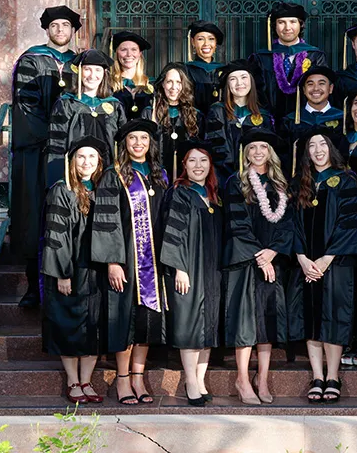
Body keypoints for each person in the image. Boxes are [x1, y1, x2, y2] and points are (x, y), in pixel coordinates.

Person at [91, 118, 168, 405]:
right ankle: (122, 380)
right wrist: (112, 261)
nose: (138, 144)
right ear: (125, 144)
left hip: (154, 262)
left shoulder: (160, 175)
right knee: (125, 320)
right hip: (126, 261)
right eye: (133, 139)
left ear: (151, 144)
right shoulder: (114, 175)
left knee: (146, 321)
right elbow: (107, 220)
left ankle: (139, 377)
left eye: (144, 139)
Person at [12, 5, 79, 308]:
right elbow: (26, 107)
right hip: (38, 152)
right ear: (47, 30)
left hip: (76, 155)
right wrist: (55, 139)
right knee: (34, 214)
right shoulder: (32, 60)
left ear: (73, 30)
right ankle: (32, 286)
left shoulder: (81, 63)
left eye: (66, 25)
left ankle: (72, 278)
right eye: (55, 25)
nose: (60, 30)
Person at [288, 129, 357, 403]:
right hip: (306, 264)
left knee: (334, 317)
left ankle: (333, 376)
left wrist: (326, 258)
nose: (318, 150)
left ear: (331, 149)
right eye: (312, 145)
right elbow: (291, 223)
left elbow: (348, 222)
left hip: (336, 263)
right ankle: (317, 376)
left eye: (322, 144)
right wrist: (302, 257)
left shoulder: (346, 180)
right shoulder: (299, 183)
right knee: (311, 318)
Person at [222, 128, 295, 405]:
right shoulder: (236, 183)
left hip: (272, 260)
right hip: (245, 261)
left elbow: (287, 223)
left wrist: (273, 252)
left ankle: (262, 379)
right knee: (246, 322)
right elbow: (236, 223)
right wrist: (258, 255)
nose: (257, 152)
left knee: (268, 322)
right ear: (245, 153)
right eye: (252, 148)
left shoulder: (280, 184)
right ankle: (242, 379)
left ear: (270, 152)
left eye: (262, 147)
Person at [41, 135, 109, 405]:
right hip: (71, 269)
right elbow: (56, 235)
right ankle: (72, 380)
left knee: (92, 326)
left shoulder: (103, 189)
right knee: (68, 324)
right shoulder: (62, 190)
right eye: (81, 156)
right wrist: (62, 273)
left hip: (97, 270)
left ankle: (86, 380)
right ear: (72, 161)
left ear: (99, 161)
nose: (87, 162)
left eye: (92, 157)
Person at [159, 139, 223, 407]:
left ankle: (200, 379)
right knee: (190, 325)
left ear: (210, 165)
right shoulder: (179, 193)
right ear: (184, 165)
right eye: (193, 161)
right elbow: (172, 234)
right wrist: (180, 269)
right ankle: (190, 382)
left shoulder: (213, 195)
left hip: (211, 269)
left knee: (207, 327)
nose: (198, 166)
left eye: (203, 160)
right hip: (188, 268)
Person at [45, 49, 124, 189]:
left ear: (104, 73)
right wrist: (59, 180)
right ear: (79, 72)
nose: (93, 75)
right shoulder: (66, 104)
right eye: (87, 69)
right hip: (74, 176)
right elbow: (56, 146)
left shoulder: (114, 105)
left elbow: (122, 143)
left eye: (98, 70)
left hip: (107, 175)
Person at [249, 2, 328, 122]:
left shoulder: (315, 56)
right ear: (274, 26)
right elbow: (255, 93)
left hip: (306, 123)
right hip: (269, 123)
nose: (287, 28)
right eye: (281, 22)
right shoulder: (260, 58)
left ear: (301, 25)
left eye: (293, 22)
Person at [204, 58, 275, 184]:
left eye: (243, 77)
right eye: (233, 79)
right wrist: (235, 177)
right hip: (223, 179)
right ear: (227, 85)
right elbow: (216, 149)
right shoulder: (217, 112)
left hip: (258, 180)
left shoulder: (263, 115)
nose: (239, 83)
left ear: (252, 81)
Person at [278, 66, 343, 174]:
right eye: (310, 84)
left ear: (330, 88)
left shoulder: (342, 118)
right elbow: (285, 156)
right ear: (303, 90)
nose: (316, 88)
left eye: (321, 83)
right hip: (300, 180)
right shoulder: (290, 120)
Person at [144, 62, 204, 179]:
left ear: (185, 85)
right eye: (169, 82)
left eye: (178, 82)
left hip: (187, 177)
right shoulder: (149, 113)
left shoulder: (195, 115)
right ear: (162, 84)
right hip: (157, 176)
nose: (173, 87)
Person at [109, 31, 154, 121]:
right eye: (123, 50)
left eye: (134, 49)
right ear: (116, 53)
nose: (129, 54)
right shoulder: (108, 85)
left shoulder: (151, 86)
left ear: (140, 54)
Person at [184, 21, 226, 113]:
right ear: (193, 42)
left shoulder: (225, 70)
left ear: (215, 43)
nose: (206, 44)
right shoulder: (185, 71)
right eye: (200, 39)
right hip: (192, 120)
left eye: (211, 39)